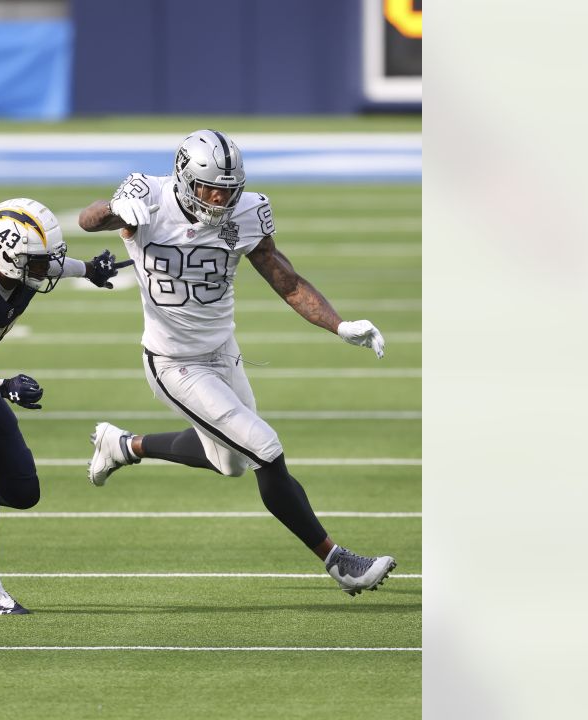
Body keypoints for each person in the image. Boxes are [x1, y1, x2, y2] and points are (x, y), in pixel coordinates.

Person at [78, 129, 396, 596]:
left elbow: (285, 279)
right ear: (185, 178)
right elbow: (89, 221)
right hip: (173, 362)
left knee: (229, 462)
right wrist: (113, 212)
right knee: (264, 449)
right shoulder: (147, 193)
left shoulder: (247, 212)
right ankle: (338, 561)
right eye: (210, 187)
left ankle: (124, 446)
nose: (219, 197)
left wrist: (339, 325)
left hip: (223, 352)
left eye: (229, 188)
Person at [0, 198, 122, 614]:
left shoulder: (20, 267)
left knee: (23, 492)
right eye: (37, 263)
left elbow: (53, 264)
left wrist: (91, 271)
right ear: (5, 258)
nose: (46, 270)